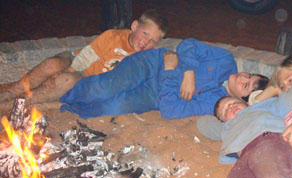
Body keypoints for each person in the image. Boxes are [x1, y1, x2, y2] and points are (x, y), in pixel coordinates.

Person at [59, 38, 269, 119]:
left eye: (246, 85)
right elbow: (188, 45)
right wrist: (188, 73)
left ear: (242, 100)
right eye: (249, 75)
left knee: (109, 108)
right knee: (107, 88)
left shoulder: (216, 103)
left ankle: (65, 106)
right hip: (151, 64)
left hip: (153, 95)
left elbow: (172, 110)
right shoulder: (225, 60)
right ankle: (62, 91)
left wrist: (170, 72)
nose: (243, 76)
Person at [0, 9, 168, 108]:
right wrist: (65, 70)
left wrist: (65, 76)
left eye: (153, 40)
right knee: (51, 65)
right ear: (134, 26)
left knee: (65, 81)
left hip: (87, 79)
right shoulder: (113, 36)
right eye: (145, 34)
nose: (146, 42)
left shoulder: (144, 58)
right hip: (78, 61)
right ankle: (9, 93)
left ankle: (16, 103)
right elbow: (87, 55)